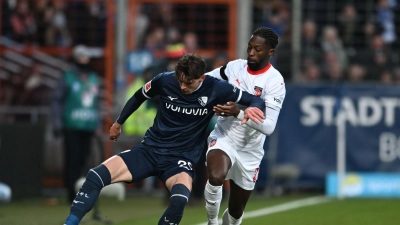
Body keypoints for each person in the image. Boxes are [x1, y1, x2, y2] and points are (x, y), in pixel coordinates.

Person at [63, 53, 266, 225]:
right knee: (95, 176)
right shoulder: (165, 80)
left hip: (180, 159)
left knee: (178, 201)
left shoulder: (217, 88)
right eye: (180, 80)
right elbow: (138, 96)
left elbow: (256, 100)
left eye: (189, 83)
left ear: (201, 78)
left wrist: (241, 111)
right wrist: (119, 122)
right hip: (150, 150)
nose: (183, 86)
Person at [204, 27, 286, 225]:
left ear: (270, 52)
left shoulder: (275, 82)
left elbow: (269, 127)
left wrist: (238, 112)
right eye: (249, 48)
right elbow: (206, 78)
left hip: (250, 150)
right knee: (216, 177)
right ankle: (212, 222)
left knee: (235, 213)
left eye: (257, 49)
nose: (251, 53)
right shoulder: (234, 67)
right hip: (225, 136)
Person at [52, 44, 101, 204]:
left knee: (84, 159)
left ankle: (82, 191)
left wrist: (97, 124)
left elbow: (96, 103)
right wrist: (58, 123)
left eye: (86, 56)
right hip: (71, 125)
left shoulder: (93, 78)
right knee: (72, 160)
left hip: (88, 125)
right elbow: (58, 101)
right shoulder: (67, 77)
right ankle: (71, 193)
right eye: (81, 56)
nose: (84, 59)